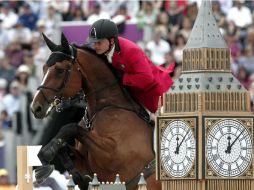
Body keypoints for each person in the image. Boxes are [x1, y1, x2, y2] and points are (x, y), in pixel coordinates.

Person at [87, 19, 175, 114]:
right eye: (94, 43)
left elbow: (147, 78)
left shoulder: (131, 50)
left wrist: (123, 77)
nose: (95, 46)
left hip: (157, 93)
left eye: (98, 42)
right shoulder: (103, 50)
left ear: (111, 40)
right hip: (135, 96)